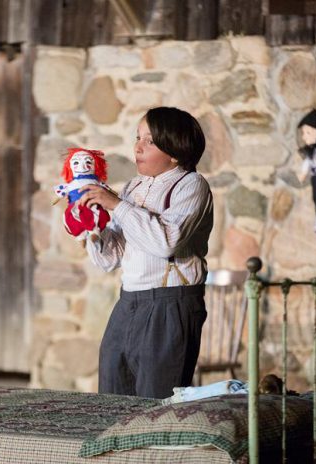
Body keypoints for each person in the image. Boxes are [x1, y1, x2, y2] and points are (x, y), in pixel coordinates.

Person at [77, 106, 214, 399]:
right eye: (137, 138)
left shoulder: (191, 185)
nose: (137, 147)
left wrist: (117, 205)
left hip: (169, 303)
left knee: (156, 399)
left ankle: (151, 446)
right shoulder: (132, 187)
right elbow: (110, 258)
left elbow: (166, 242)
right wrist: (92, 230)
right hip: (129, 300)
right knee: (113, 393)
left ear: (174, 151)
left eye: (149, 141)